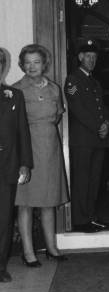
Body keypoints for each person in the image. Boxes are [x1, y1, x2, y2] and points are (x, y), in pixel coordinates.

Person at [13, 44, 68, 266]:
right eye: (27, 62)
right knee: (25, 202)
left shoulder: (55, 88)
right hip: (27, 148)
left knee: (49, 200)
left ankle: (52, 248)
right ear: (22, 65)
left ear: (44, 63)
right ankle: (28, 252)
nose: (32, 66)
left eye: (36, 62)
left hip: (51, 147)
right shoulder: (16, 90)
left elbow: (57, 116)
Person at [64, 40, 109, 232]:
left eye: (94, 57)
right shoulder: (73, 80)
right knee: (82, 181)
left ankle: (91, 217)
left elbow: (103, 108)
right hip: (83, 139)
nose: (92, 60)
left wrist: (107, 123)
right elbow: (77, 109)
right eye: (88, 57)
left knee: (94, 181)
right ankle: (80, 220)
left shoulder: (94, 81)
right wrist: (98, 126)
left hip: (98, 139)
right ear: (80, 57)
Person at [0, 47, 33, 281]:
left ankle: (0, 267)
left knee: (3, 218)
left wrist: (24, 163)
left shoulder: (14, 95)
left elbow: (23, 131)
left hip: (7, 166)